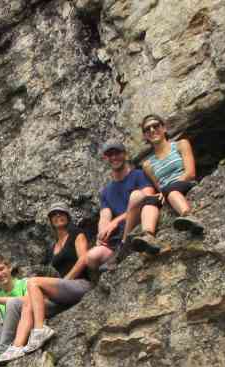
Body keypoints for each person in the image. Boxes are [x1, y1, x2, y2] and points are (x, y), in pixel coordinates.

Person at [21, 204, 93, 353]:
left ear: (67, 216)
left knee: (33, 282)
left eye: (61, 213)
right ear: (50, 220)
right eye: (54, 214)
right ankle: (17, 345)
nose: (58, 216)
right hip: (64, 292)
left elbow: (83, 259)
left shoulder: (76, 234)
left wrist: (65, 280)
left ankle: (40, 330)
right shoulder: (52, 248)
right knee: (26, 302)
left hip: (80, 284)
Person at [130, 114, 205, 254]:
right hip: (166, 192)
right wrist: (160, 194)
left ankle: (188, 215)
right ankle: (148, 236)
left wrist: (168, 189)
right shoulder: (147, 164)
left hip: (185, 183)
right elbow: (159, 186)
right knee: (148, 201)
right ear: (145, 136)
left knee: (170, 190)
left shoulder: (181, 144)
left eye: (156, 126)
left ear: (164, 128)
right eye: (147, 129)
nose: (152, 130)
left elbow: (190, 173)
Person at [85, 140, 157, 272]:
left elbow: (148, 196)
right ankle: (115, 262)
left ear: (125, 154)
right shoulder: (106, 191)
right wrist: (102, 234)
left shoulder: (138, 174)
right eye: (110, 154)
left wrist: (116, 221)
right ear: (105, 158)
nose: (114, 157)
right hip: (117, 238)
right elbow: (104, 216)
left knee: (136, 195)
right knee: (91, 257)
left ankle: (125, 246)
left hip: (137, 223)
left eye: (117, 153)